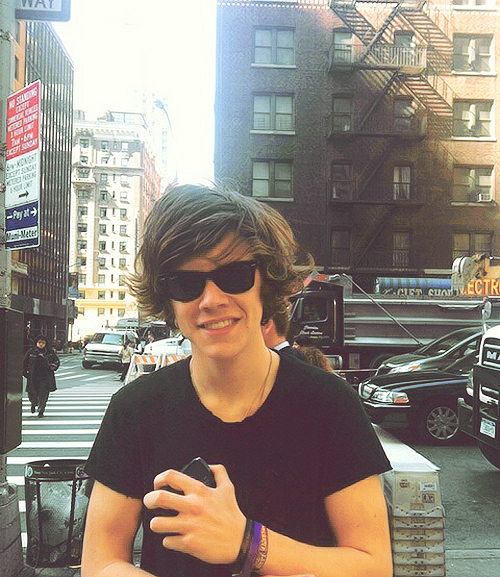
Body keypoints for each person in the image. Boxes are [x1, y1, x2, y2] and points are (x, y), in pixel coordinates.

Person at [82, 184, 393, 577]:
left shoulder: (329, 404)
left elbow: (373, 565)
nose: (211, 299)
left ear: (266, 282)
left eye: (233, 275)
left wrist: (248, 543)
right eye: (185, 283)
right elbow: (101, 562)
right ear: (168, 300)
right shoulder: (135, 409)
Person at [23, 334, 60, 418]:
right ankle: (34, 403)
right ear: (36, 343)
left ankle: (41, 411)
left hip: (45, 377)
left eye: (43, 343)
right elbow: (25, 362)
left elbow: (56, 362)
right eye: (39, 342)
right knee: (32, 393)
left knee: (43, 395)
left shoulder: (50, 352)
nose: (41, 344)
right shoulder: (31, 352)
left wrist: (53, 367)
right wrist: (25, 372)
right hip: (33, 376)